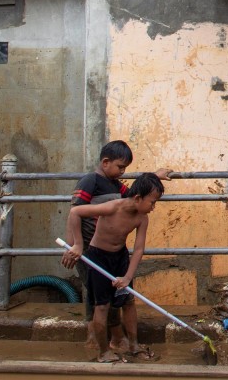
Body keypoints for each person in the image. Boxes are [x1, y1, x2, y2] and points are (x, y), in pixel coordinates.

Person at [70, 141, 170, 354]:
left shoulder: (119, 189)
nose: (123, 172)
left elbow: (138, 192)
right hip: (92, 251)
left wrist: (154, 176)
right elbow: (75, 211)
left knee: (124, 299)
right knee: (99, 301)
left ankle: (128, 343)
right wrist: (76, 245)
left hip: (119, 255)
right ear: (105, 163)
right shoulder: (91, 182)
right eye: (120, 167)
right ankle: (99, 345)